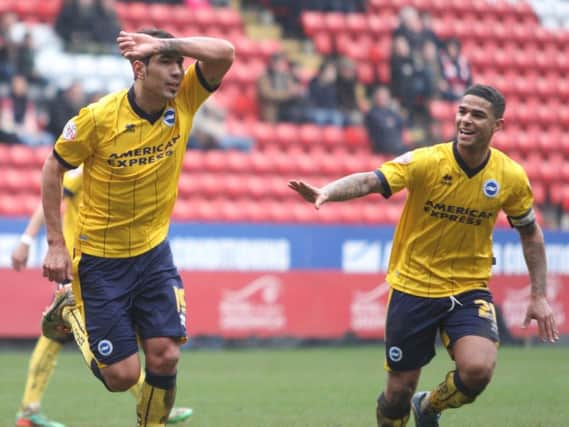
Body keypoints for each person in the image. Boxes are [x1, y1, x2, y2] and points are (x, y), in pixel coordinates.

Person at [288, 84, 558, 427]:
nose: (466, 120)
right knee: (397, 393)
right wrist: (328, 191)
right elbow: (372, 180)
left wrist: (538, 295)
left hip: (467, 288)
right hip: (412, 288)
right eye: (462, 112)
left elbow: (530, 232)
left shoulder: (510, 177)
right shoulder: (427, 161)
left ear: (497, 126)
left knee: (478, 370)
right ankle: (408, 405)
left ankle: (429, 406)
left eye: (478, 115)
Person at [39, 29, 234, 426]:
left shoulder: (184, 100)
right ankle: (70, 311)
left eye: (180, 63)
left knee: (166, 354)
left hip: (153, 253)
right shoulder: (98, 119)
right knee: (121, 376)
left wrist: (168, 45)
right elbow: (53, 167)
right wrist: (56, 244)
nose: (178, 72)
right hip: (101, 260)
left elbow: (225, 53)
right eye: (167, 63)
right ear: (139, 68)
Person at [12, 166, 194, 427]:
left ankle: (28, 410)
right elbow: (53, 194)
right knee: (60, 337)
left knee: (64, 338)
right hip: (81, 262)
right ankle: (28, 410)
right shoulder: (84, 169)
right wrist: (27, 240)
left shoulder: (117, 163)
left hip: (107, 263)